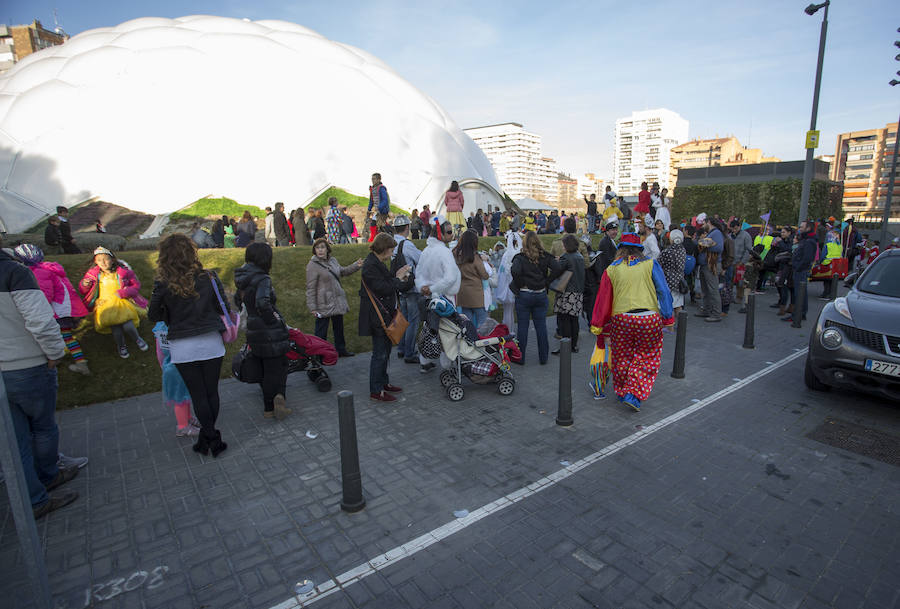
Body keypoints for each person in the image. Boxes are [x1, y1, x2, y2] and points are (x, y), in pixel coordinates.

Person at [1, 243, 81, 519]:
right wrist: (55, 353)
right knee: (43, 427)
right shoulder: (14, 273)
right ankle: (47, 478)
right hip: (27, 364)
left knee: (16, 440)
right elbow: (40, 320)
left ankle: (33, 498)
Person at [149, 234, 230, 456]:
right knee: (211, 392)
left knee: (198, 395)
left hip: (182, 346)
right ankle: (211, 436)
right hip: (211, 341)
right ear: (191, 252)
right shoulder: (209, 277)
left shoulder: (163, 284)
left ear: (165, 257)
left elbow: (153, 314)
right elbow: (223, 307)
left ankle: (209, 437)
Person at [590, 233, 674, 411]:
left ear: (620, 249)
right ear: (639, 249)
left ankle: (621, 391)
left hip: (622, 319)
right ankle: (633, 394)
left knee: (622, 356)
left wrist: (598, 324)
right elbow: (663, 291)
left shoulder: (612, 269)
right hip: (648, 318)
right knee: (647, 357)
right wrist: (668, 317)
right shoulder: (650, 264)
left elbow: (603, 299)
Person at [233, 242, 292, 420]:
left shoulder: (243, 277)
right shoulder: (263, 278)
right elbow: (263, 303)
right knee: (278, 366)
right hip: (269, 331)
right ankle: (278, 399)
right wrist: (274, 319)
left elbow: (238, 300)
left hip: (253, 329)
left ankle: (269, 408)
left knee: (265, 369)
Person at [13, 244, 91, 375]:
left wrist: (37, 308)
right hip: (65, 309)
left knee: (51, 336)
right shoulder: (49, 268)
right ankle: (80, 362)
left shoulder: (37, 272)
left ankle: (55, 360)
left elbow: (45, 294)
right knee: (67, 337)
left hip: (57, 311)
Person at [359, 233, 413, 402]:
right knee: (379, 353)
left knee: (385, 351)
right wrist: (397, 278)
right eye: (390, 250)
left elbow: (387, 282)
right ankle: (376, 389)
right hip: (376, 317)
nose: (391, 254)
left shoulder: (376, 262)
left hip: (384, 314)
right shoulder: (370, 265)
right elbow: (383, 288)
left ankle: (383, 383)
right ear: (383, 249)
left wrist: (398, 275)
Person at [79, 246, 148, 358]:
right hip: (106, 305)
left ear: (112, 259)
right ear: (95, 261)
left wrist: (124, 292)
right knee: (116, 329)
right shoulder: (93, 275)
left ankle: (137, 339)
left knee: (128, 325)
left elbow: (136, 286)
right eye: (99, 260)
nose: (103, 262)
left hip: (122, 302)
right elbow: (83, 291)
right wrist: (85, 285)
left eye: (106, 259)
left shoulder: (123, 272)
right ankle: (121, 346)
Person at [416, 219, 461, 373]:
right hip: (444, 298)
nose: (452, 235)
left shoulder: (426, 251)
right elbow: (450, 278)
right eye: (449, 232)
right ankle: (447, 364)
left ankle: (425, 360)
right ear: (440, 233)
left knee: (428, 328)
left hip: (429, 298)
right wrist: (433, 289)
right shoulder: (444, 252)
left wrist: (424, 288)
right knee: (448, 332)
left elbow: (419, 274)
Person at [510, 231, 561, 365]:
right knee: (541, 326)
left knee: (522, 327)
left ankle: (520, 357)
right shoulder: (545, 256)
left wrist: (521, 283)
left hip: (525, 294)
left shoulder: (520, 258)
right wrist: (547, 281)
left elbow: (515, 271)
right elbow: (557, 267)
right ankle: (543, 357)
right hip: (540, 293)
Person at [305, 238, 362, 358]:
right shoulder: (312, 265)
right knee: (321, 331)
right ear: (314, 250)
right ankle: (319, 354)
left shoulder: (333, 261)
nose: (320, 250)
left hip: (337, 300)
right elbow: (310, 288)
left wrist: (356, 266)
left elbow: (342, 271)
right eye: (317, 248)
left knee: (339, 328)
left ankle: (341, 350)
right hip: (323, 303)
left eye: (322, 247)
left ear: (327, 249)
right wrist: (312, 307)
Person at [153, 321, 200, 437]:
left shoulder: (160, 327)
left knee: (184, 396)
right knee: (180, 400)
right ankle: (182, 426)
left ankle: (187, 418)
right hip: (177, 367)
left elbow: (159, 352)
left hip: (170, 365)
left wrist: (162, 365)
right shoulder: (179, 325)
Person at [391, 216, 423, 363]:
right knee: (413, 320)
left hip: (399, 285)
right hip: (410, 285)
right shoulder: (406, 244)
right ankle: (409, 353)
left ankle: (401, 348)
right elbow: (420, 258)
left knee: (403, 318)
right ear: (407, 228)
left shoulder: (392, 243)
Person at [553, 235, 586, 354]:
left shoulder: (565, 257)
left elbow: (557, 271)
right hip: (578, 291)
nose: (562, 246)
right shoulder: (580, 257)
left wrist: (556, 262)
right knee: (574, 320)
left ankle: (566, 346)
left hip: (567, 292)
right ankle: (574, 345)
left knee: (565, 320)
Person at [453, 229, 491, 330]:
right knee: (482, 322)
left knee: (467, 324)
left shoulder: (456, 255)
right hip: (476, 295)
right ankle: (481, 344)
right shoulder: (475, 257)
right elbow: (484, 275)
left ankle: (470, 343)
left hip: (462, 293)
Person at [784, 220, 818, 325]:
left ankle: (798, 315)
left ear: (808, 228)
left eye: (802, 227)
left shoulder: (809, 241)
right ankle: (801, 313)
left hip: (801, 271)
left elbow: (807, 258)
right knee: (801, 293)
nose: (799, 228)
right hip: (800, 269)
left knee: (800, 293)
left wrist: (798, 267)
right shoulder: (806, 240)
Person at [694, 216, 724, 322]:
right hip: (705, 264)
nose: (702, 225)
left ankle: (716, 313)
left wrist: (704, 243)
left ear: (709, 222)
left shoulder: (716, 233)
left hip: (711, 265)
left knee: (713, 289)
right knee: (705, 290)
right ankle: (706, 309)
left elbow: (719, 247)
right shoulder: (713, 233)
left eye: (704, 223)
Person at [493, 230, 521, 331]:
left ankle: (508, 330)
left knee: (507, 311)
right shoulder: (518, 252)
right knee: (510, 311)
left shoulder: (507, 255)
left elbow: (502, 272)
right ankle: (511, 330)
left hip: (507, 286)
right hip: (516, 286)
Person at [658, 229, 687, 319]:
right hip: (679, 280)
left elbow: (658, 263)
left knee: (665, 303)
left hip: (667, 280)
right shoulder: (683, 250)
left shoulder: (667, 252)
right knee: (678, 304)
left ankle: (668, 325)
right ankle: (681, 323)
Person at [729, 220, 753, 310]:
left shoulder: (746, 236)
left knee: (740, 281)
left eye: (735, 229)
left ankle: (739, 297)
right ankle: (729, 296)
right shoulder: (730, 236)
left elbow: (748, 250)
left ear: (739, 227)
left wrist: (742, 262)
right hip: (731, 262)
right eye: (732, 229)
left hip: (741, 262)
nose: (734, 231)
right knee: (730, 281)